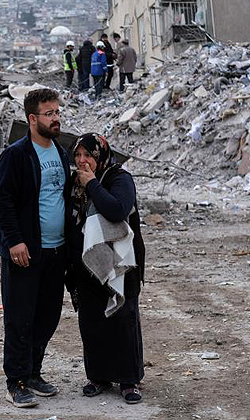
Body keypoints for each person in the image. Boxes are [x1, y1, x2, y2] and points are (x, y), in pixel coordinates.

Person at [0, 88, 71, 408]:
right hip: (25, 252)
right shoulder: (16, 155)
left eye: (57, 112)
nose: (56, 118)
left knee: (47, 317)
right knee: (20, 318)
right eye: (49, 113)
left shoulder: (61, 152)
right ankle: (17, 381)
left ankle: (34, 372)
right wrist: (14, 241)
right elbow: (3, 201)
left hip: (56, 251)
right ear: (32, 119)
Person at [64, 133, 146, 405]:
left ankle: (128, 380)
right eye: (78, 155)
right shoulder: (75, 184)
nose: (82, 160)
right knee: (92, 320)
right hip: (87, 264)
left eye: (88, 155)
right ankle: (97, 376)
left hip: (120, 263)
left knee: (123, 319)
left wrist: (93, 185)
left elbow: (117, 210)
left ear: (100, 156)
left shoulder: (119, 178)